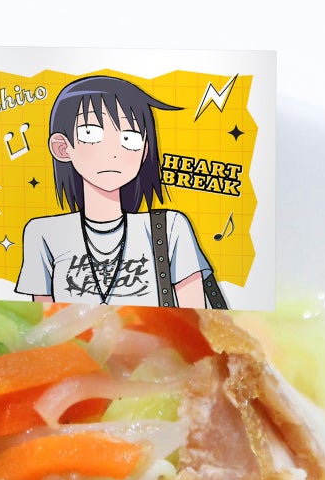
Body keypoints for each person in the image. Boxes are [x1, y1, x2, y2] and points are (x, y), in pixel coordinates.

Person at [16, 75, 218, 308]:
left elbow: (193, 318)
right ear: (62, 147)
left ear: (144, 151)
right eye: (90, 133)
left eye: (129, 138)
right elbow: (44, 321)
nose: (112, 152)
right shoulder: (42, 233)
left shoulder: (170, 227)